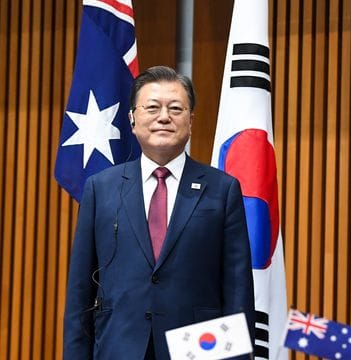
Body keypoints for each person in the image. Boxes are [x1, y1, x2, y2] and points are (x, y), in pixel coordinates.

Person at [63, 66, 255, 359]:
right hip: (118, 347)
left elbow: (238, 291)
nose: (164, 117)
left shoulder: (222, 189)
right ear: (132, 119)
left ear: (190, 121)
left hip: (197, 351)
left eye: (176, 108)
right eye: (152, 107)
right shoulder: (100, 189)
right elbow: (80, 292)